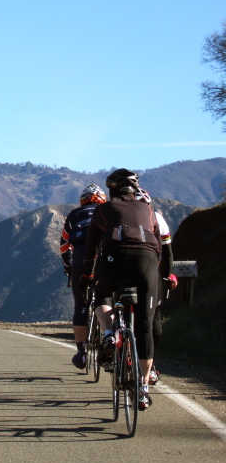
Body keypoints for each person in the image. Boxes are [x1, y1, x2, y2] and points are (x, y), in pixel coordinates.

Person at [80, 169, 162, 411]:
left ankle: (107, 335)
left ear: (111, 190)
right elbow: (158, 241)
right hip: (146, 261)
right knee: (145, 326)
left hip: (114, 258)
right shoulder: (148, 209)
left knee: (102, 293)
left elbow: (92, 248)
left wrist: (87, 276)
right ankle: (143, 387)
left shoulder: (102, 210)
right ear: (135, 190)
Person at [59, 184, 106, 370]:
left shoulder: (74, 214)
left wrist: (69, 265)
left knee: (81, 305)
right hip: (106, 255)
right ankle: (112, 338)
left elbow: (63, 245)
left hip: (80, 254)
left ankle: (82, 353)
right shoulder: (108, 212)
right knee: (107, 299)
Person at [135, 188, 178, 385]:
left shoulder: (116, 216)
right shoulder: (156, 217)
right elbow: (167, 252)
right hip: (150, 272)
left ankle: (114, 342)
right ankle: (150, 367)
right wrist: (168, 275)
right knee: (154, 319)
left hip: (118, 271)